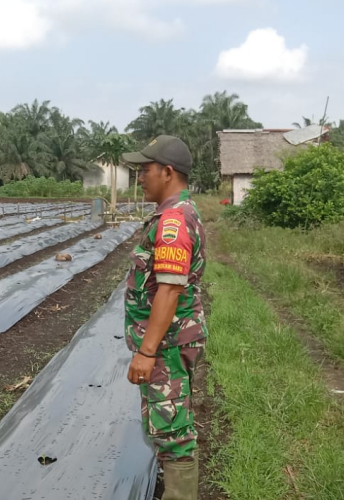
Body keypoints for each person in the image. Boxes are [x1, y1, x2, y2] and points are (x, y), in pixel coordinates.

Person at [121, 136, 208, 500]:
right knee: (166, 426)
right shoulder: (176, 212)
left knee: (173, 434)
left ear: (167, 172)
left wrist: (146, 351)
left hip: (167, 345)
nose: (140, 177)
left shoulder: (173, 220)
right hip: (169, 343)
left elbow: (169, 291)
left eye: (145, 170)